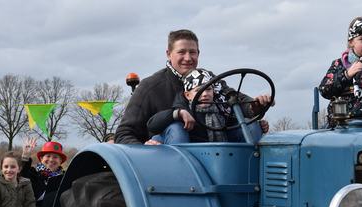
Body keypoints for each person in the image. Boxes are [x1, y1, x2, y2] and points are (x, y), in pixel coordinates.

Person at [115, 29, 272, 144]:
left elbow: (233, 99)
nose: (188, 58)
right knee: (176, 128)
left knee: (251, 126)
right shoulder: (150, 87)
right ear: (168, 54)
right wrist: (144, 149)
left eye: (192, 52)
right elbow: (124, 134)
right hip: (167, 156)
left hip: (214, 152)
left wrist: (255, 106)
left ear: (198, 53)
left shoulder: (210, 80)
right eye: (181, 52)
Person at [146, 68, 270, 144]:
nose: (205, 94)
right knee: (176, 128)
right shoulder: (184, 108)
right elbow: (152, 124)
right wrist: (178, 113)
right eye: (198, 91)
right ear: (188, 95)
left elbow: (239, 115)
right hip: (194, 155)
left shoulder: (222, 107)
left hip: (220, 154)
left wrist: (257, 109)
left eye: (209, 89)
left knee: (251, 125)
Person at [318, 16, 362, 127]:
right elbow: (324, 90)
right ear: (351, 42)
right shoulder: (339, 64)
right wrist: (347, 75)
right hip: (341, 126)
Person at [20, 138, 66, 207]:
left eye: (55, 157)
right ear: (41, 159)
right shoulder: (33, 173)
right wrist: (25, 156)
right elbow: (22, 174)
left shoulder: (65, 178)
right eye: (48, 156)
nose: (51, 160)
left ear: (60, 161)